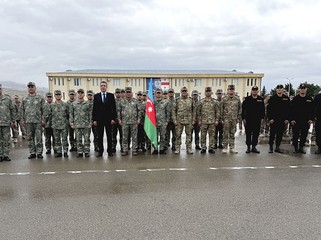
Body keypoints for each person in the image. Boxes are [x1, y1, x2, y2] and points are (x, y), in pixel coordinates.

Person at [20, 82, 45, 159]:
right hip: (28, 121)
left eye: (32, 87)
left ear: (35, 88)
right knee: (30, 138)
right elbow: (22, 110)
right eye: (29, 87)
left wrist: (43, 119)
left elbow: (44, 109)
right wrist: (22, 120)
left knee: (39, 138)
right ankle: (32, 152)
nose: (30, 88)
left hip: (38, 121)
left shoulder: (40, 98)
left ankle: (39, 152)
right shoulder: (24, 99)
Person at [92, 80, 117, 157]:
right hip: (99, 120)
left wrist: (113, 118)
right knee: (100, 136)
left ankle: (109, 151)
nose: (103, 87)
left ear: (106, 87)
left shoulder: (111, 96)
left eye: (104, 85)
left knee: (109, 136)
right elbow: (94, 109)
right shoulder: (96, 96)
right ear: (100, 87)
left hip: (108, 120)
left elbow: (113, 108)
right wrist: (94, 119)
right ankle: (100, 151)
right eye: (101, 85)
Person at [290, 84, 314, 154]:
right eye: (301, 88)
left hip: (306, 121)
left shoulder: (309, 99)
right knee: (296, 135)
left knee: (304, 135)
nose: (302, 89)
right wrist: (292, 119)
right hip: (296, 120)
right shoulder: (295, 99)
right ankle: (295, 148)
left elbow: (312, 110)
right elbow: (291, 110)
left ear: (306, 89)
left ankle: (301, 147)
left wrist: (311, 119)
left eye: (304, 88)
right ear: (299, 89)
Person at [267, 84, 291, 153]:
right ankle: (271, 147)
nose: (279, 89)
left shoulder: (286, 98)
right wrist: (270, 118)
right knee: (272, 134)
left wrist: (287, 119)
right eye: (278, 88)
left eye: (281, 88)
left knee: (280, 134)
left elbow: (289, 110)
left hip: (282, 120)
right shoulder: (272, 98)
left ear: (283, 89)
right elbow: (269, 109)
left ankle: (277, 147)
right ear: (276, 89)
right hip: (274, 120)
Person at [241, 86, 265, 153]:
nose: (254, 91)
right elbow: (243, 110)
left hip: (257, 120)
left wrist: (262, 118)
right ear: (251, 91)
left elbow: (263, 110)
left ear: (258, 91)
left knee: (256, 134)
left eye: (256, 90)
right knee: (248, 134)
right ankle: (248, 147)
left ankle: (254, 147)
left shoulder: (260, 99)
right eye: (253, 90)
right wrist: (243, 118)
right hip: (248, 120)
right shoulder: (247, 99)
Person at [118, 87, 141, 156]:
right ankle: (125, 150)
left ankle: (134, 150)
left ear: (132, 93)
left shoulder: (135, 101)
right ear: (125, 93)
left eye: (129, 92)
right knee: (125, 137)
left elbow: (139, 111)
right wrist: (119, 119)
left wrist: (139, 119)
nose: (128, 93)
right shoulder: (121, 101)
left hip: (134, 122)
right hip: (125, 122)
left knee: (134, 137)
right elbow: (119, 111)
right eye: (127, 92)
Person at [172, 86, 196, 154]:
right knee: (178, 135)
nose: (184, 92)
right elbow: (173, 111)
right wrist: (174, 120)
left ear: (187, 92)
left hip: (189, 120)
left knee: (189, 135)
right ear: (181, 92)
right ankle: (177, 148)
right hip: (179, 121)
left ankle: (189, 148)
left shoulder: (191, 100)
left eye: (185, 91)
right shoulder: (177, 100)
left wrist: (194, 119)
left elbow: (194, 110)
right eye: (183, 91)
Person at [69, 88, 92, 158]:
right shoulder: (73, 104)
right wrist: (71, 123)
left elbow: (90, 114)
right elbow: (71, 114)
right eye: (79, 93)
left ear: (84, 94)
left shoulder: (87, 104)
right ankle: (80, 152)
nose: (80, 94)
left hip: (86, 125)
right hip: (77, 124)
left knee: (86, 139)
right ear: (77, 94)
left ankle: (87, 151)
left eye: (81, 93)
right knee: (78, 139)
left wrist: (90, 123)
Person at [221, 85, 241, 154]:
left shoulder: (237, 99)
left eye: (232, 89)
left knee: (232, 133)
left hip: (234, 119)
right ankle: (225, 147)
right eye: (230, 89)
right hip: (226, 119)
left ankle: (232, 147)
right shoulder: (224, 99)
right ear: (227, 90)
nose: (231, 90)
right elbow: (221, 109)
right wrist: (222, 119)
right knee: (225, 133)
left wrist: (238, 118)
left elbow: (239, 109)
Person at [198, 87, 219, 154]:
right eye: (207, 91)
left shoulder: (215, 102)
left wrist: (217, 120)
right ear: (205, 92)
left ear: (211, 92)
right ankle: (203, 148)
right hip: (203, 121)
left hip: (212, 122)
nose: (208, 92)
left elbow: (217, 111)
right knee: (203, 135)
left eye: (209, 91)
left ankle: (211, 148)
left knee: (212, 135)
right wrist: (199, 120)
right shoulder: (201, 101)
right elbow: (198, 112)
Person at [49, 90, 69, 158]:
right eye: (56, 95)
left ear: (61, 96)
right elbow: (49, 115)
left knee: (64, 139)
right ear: (54, 96)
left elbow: (68, 114)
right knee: (57, 140)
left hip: (63, 125)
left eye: (59, 94)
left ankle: (65, 151)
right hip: (55, 125)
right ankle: (59, 152)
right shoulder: (52, 105)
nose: (58, 96)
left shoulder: (65, 104)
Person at [0, 84, 15, 162]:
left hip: (6, 123)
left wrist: (13, 120)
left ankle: (6, 155)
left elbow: (12, 110)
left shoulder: (7, 99)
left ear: (1, 89)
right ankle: (0, 155)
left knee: (6, 140)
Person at [153, 88, 170, 154]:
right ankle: (155, 149)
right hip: (154, 122)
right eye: (157, 93)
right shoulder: (152, 102)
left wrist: (167, 121)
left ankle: (162, 149)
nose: (158, 94)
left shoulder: (166, 102)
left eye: (159, 93)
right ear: (155, 94)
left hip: (163, 122)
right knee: (155, 136)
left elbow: (167, 112)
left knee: (163, 136)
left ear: (162, 94)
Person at [112, 88, 123, 153]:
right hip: (114, 121)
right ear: (115, 94)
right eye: (117, 93)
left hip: (122, 121)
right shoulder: (113, 101)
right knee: (113, 135)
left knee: (122, 135)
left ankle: (122, 147)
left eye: (119, 93)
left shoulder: (123, 101)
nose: (118, 94)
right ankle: (113, 147)